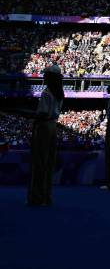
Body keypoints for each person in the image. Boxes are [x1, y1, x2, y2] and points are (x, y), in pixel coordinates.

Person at [27, 64, 63, 207]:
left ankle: (36, 197)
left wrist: (32, 117)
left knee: (39, 162)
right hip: (53, 125)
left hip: (44, 126)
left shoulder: (46, 93)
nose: (44, 77)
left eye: (46, 75)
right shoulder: (59, 93)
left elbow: (42, 113)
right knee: (49, 163)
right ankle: (46, 196)